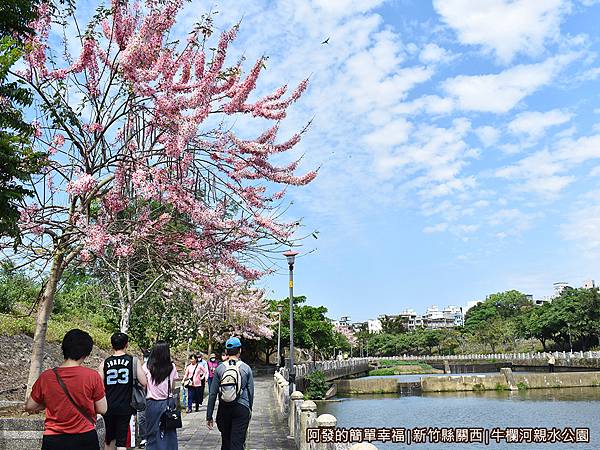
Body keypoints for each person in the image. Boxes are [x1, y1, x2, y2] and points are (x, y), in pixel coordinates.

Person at [25, 329, 108, 450]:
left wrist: (49, 403)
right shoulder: (92, 376)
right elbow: (103, 409)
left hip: (54, 439)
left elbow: (30, 406)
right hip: (85, 438)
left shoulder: (46, 377)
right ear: (86, 353)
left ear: (63, 348)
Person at [100, 332, 147, 450]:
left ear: (112, 345)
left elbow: (98, 384)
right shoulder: (133, 361)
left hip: (108, 406)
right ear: (126, 344)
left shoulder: (105, 363)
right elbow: (144, 382)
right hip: (126, 406)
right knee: (122, 442)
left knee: (109, 439)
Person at [206, 337, 254, 450]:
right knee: (237, 443)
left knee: (226, 442)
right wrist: (249, 409)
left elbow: (212, 394)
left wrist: (209, 415)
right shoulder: (246, 368)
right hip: (241, 408)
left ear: (226, 351)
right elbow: (251, 392)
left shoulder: (220, 368)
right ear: (240, 350)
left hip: (224, 408)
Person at [143, 341, 179, 450]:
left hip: (151, 404)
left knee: (152, 432)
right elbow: (173, 387)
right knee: (169, 432)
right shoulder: (171, 367)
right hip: (167, 403)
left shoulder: (147, 366)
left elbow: (144, 385)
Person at [138, 349, 151, 448]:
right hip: (142, 397)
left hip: (152, 397)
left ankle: (151, 436)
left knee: (150, 417)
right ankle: (143, 437)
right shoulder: (142, 368)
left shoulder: (156, 368)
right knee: (141, 418)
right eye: (145, 357)